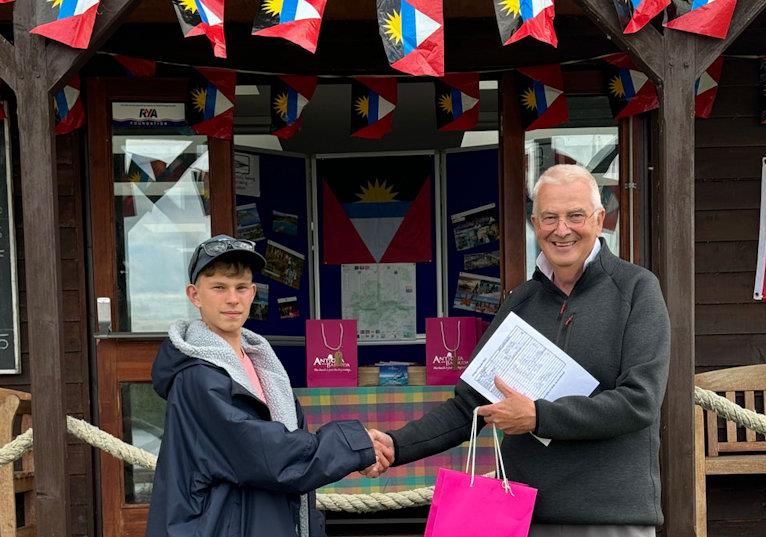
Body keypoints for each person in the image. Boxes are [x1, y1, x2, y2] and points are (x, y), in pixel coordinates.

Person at [366, 164, 671, 537]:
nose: (562, 229)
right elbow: (470, 406)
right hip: (521, 515)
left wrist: (538, 417)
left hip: (609, 518)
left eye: (575, 215)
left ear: (599, 219)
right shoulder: (520, 302)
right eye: (549, 217)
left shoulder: (638, 289)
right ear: (534, 223)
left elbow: (640, 400)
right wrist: (397, 445)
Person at [145, 235, 390, 537]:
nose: (232, 299)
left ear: (253, 293)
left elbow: (287, 448)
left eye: (242, 287)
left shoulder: (263, 363)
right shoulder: (197, 377)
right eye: (219, 287)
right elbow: (269, 455)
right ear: (195, 295)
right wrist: (354, 445)